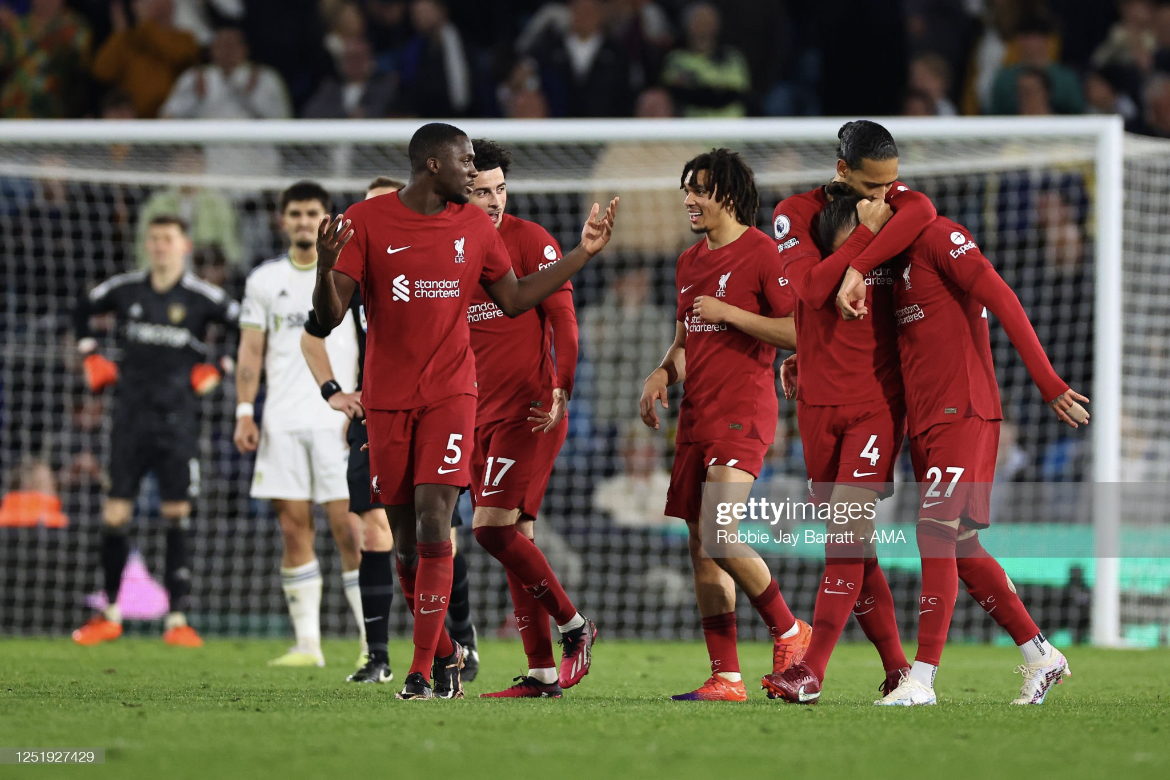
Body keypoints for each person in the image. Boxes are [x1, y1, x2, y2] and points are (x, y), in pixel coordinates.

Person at [312, 122, 617, 700]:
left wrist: (583, 253)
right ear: (434, 165)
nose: (475, 175)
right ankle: (459, 656)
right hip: (387, 401)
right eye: (466, 163)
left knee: (448, 527)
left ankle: (421, 672)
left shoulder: (476, 227)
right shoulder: (367, 222)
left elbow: (518, 298)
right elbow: (328, 319)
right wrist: (325, 273)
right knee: (406, 544)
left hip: (456, 397)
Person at [815, 193, 1084, 706]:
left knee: (933, 531)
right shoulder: (886, 272)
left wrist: (1047, 382)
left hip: (964, 409)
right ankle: (1041, 654)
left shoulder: (939, 237)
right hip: (925, 422)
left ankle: (922, 679)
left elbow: (1003, 297)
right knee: (959, 545)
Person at [761, 120, 937, 704]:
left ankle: (810, 670)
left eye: (892, 183)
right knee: (856, 548)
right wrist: (861, 248)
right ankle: (895, 667)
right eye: (872, 186)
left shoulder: (898, 203)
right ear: (842, 172)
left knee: (845, 533)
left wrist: (857, 263)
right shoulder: (793, 212)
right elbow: (808, 292)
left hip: (874, 406)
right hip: (816, 405)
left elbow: (923, 210)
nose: (885, 197)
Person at [639, 148, 809, 702]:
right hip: (696, 415)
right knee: (701, 546)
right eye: (686, 189)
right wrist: (663, 370)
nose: (689, 199)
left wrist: (732, 313)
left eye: (700, 190)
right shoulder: (688, 262)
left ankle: (790, 629)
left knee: (720, 534)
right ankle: (727, 677)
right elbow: (688, 338)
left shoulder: (761, 252)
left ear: (729, 196)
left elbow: (797, 332)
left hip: (744, 410)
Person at [300, 175, 482, 685]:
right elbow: (314, 332)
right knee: (379, 533)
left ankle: (455, 642)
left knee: (436, 531)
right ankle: (380, 654)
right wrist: (336, 392)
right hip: (381, 411)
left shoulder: (435, 265)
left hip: (437, 407)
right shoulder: (352, 285)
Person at [70, 214, 238, 648]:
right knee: (115, 514)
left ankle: (177, 619)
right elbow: (82, 308)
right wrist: (91, 354)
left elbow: (243, 329)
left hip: (179, 422)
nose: (160, 245)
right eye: (154, 238)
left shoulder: (204, 297)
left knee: (176, 513)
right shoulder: (125, 289)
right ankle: (109, 613)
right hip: (128, 419)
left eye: (168, 238)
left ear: (184, 245)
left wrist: (219, 368)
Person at [463, 139, 584, 698]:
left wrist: (562, 385)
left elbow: (563, 319)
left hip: (530, 410)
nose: (492, 201)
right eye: (480, 191)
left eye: (499, 189)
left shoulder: (530, 240)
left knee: (489, 529)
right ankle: (539, 674)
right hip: (470, 415)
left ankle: (575, 626)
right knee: (516, 539)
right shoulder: (448, 247)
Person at [234, 182, 363, 669]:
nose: (304, 221)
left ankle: (370, 644)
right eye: (295, 213)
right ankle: (307, 644)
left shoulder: (350, 274)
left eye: (313, 213)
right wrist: (245, 411)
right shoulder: (265, 280)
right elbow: (250, 350)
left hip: (337, 418)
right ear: (282, 220)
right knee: (293, 529)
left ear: (326, 218)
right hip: (282, 421)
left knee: (349, 530)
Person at [92, 0, 200, 118]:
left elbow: (181, 57)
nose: (158, 6)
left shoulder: (185, 38)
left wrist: (145, 23)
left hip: (172, 121)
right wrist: (120, 33)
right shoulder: (128, 39)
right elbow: (102, 72)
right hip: (134, 121)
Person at [160, 24, 292, 119]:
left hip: (257, 154)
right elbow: (167, 117)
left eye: (233, 45)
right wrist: (195, 98)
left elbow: (285, 119)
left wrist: (252, 97)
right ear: (212, 50)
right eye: (222, 44)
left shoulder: (266, 77)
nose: (228, 51)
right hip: (208, 154)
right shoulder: (194, 77)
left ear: (246, 49)